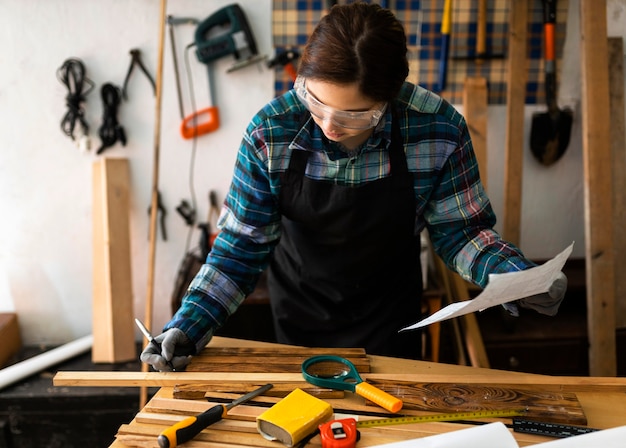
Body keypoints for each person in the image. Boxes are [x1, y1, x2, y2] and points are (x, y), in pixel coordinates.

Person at [141, 2, 567, 370]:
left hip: (391, 319)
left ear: (390, 98)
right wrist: (189, 323)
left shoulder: (436, 129)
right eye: (315, 103)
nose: (327, 127)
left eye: (351, 117)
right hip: (299, 314)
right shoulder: (271, 131)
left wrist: (517, 277)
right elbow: (240, 247)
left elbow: (462, 232)